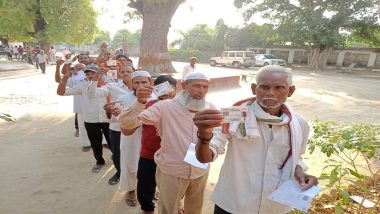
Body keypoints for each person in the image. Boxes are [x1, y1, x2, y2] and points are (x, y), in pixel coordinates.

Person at [193, 65, 319, 214]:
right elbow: (205, 157)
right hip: (234, 203)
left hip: (275, 206)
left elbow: (296, 157)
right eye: (264, 87)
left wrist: (299, 171)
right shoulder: (234, 114)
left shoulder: (299, 123)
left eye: (279, 88)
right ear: (254, 88)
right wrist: (204, 134)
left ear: (290, 91)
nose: (271, 93)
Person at [119, 72, 215, 214]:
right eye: (196, 86)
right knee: (168, 209)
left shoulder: (210, 107)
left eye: (205, 87)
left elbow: (219, 134)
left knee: (195, 208)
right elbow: (127, 124)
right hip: (172, 169)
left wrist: (210, 151)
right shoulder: (165, 106)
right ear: (184, 85)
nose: (201, 91)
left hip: (200, 168)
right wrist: (140, 102)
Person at [134, 75, 177, 214]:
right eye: (161, 89)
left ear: (176, 89)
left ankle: (176, 204)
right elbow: (130, 124)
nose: (167, 92)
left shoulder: (183, 108)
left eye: (170, 88)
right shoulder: (147, 105)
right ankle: (147, 209)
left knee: (175, 185)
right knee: (145, 184)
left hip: (173, 155)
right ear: (155, 89)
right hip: (149, 153)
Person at [57, 64, 111, 173]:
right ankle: (99, 162)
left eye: (93, 73)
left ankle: (117, 159)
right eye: (87, 73)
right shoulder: (83, 86)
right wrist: (65, 77)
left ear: (100, 73)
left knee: (113, 142)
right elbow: (61, 92)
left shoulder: (110, 85)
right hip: (90, 120)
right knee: (95, 143)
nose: (90, 75)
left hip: (108, 119)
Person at [87, 65, 134, 185]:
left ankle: (135, 177)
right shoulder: (112, 87)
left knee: (136, 153)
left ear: (134, 72)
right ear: (118, 74)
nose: (125, 73)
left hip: (137, 127)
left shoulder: (140, 87)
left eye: (128, 71)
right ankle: (120, 173)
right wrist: (95, 79)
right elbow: (92, 95)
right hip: (117, 127)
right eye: (122, 71)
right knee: (117, 154)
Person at [116, 70, 154, 206]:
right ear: (132, 84)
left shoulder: (158, 97)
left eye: (144, 82)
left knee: (151, 165)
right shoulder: (124, 98)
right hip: (130, 137)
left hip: (151, 138)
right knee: (130, 163)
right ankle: (131, 190)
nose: (140, 85)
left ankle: (150, 189)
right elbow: (120, 119)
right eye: (136, 82)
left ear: (151, 82)